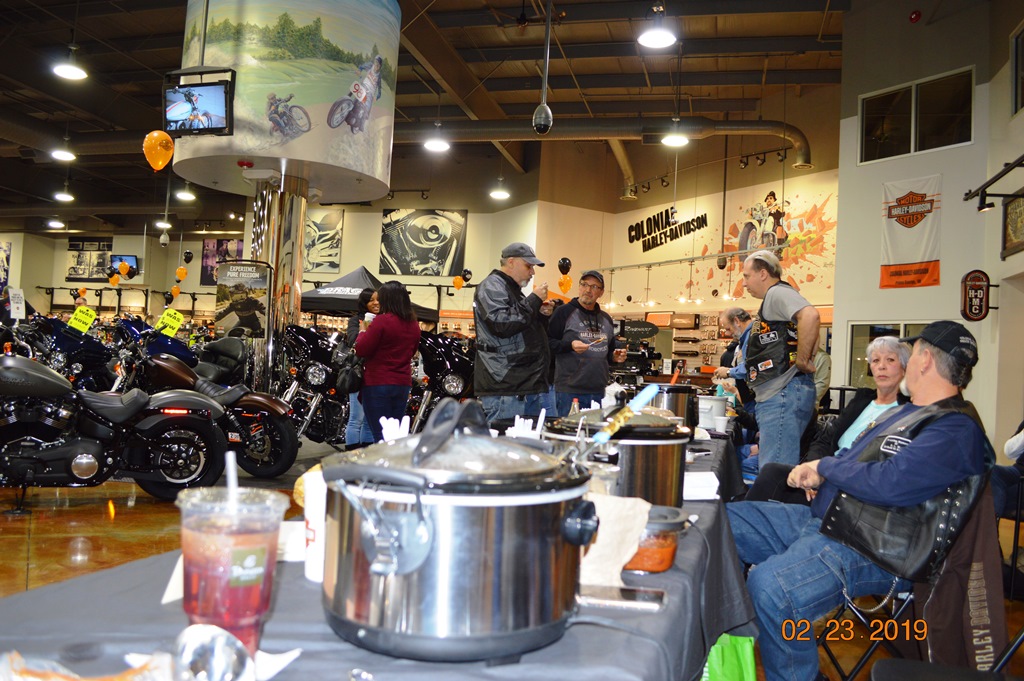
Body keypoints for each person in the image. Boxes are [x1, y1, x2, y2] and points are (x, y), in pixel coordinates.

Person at [727, 320, 992, 681]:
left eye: (911, 353)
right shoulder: (907, 413)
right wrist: (823, 473)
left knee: (772, 589)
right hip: (827, 522)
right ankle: (723, 648)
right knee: (722, 523)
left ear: (926, 359)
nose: (906, 361)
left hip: (872, 548)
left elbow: (892, 482)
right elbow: (854, 459)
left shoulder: (956, 429)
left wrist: (825, 468)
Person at [746, 335, 911, 505]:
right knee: (772, 471)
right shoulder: (862, 400)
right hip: (822, 476)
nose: (881, 366)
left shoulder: (908, 413)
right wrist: (811, 469)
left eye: (890, 360)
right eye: (876, 360)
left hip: (851, 486)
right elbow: (824, 440)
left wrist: (826, 473)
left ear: (905, 367)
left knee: (769, 487)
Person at [741, 250, 819, 469]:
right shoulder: (779, 296)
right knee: (777, 469)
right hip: (786, 392)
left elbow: (811, 316)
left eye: (747, 276)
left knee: (774, 471)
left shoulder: (776, 293)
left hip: (781, 394)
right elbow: (812, 324)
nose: (744, 283)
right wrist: (808, 357)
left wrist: (803, 360)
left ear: (763, 274)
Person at [473, 242, 554, 424]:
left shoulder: (512, 290)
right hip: (506, 384)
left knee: (522, 439)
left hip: (521, 383)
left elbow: (521, 326)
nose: (532, 272)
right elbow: (502, 324)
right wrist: (534, 300)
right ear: (511, 262)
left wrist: (540, 313)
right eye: (528, 266)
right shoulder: (492, 286)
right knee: (505, 440)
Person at [547, 270, 627, 416]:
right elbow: (547, 343)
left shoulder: (606, 319)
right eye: (584, 284)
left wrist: (615, 357)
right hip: (570, 391)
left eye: (594, 286)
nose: (588, 290)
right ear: (579, 287)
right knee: (570, 430)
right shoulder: (563, 313)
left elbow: (609, 352)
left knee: (596, 430)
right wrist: (569, 345)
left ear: (601, 292)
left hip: (599, 391)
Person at [355, 281, 420, 442]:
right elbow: (412, 352)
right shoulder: (414, 324)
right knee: (393, 434)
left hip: (378, 382)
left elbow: (362, 349)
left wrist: (362, 332)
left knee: (380, 434)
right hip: (402, 383)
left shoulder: (381, 321)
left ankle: (379, 459)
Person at [344, 288, 379, 449]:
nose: (376, 303)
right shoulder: (356, 320)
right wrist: (365, 327)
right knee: (356, 419)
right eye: (371, 300)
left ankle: (366, 455)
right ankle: (352, 456)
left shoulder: (383, 319)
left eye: (378, 299)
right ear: (364, 303)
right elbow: (353, 341)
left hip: (375, 374)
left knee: (369, 420)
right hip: (358, 373)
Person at [713, 307, 755, 409]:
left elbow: (753, 366)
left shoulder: (753, 337)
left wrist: (728, 372)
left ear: (737, 321)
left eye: (728, 329)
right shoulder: (747, 338)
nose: (728, 333)